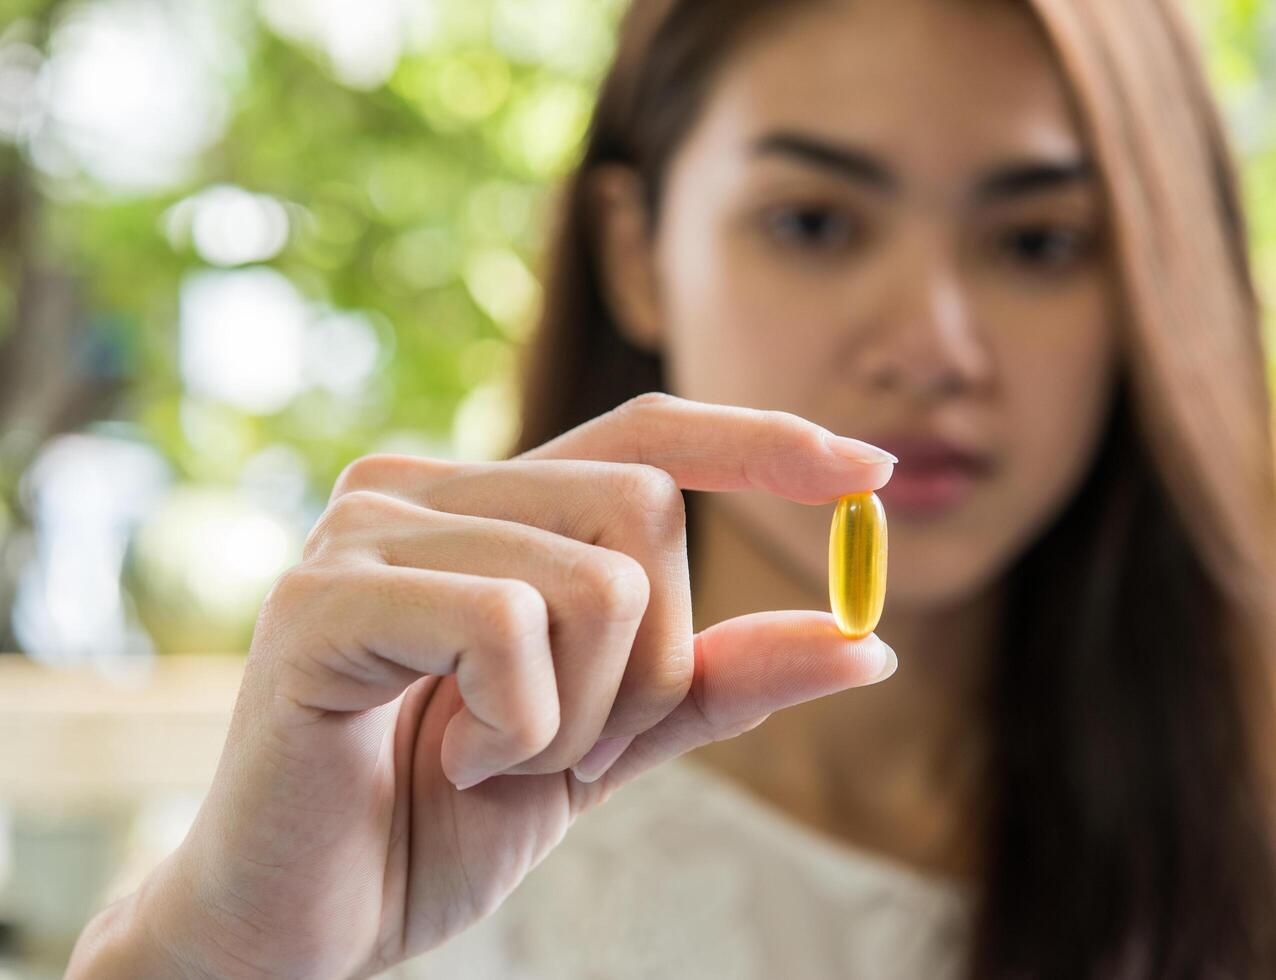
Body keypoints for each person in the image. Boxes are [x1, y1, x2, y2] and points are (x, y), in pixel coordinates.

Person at [68, 0, 1276, 975]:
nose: (932, 345)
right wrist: (219, 953)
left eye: (1037, 242)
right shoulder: (418, 821)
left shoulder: (1241, 820)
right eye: (812, 221)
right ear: (635, 252)